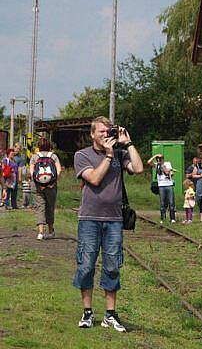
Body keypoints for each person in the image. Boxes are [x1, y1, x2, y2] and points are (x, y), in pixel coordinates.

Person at [73, 117, 144, 332]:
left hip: (114, 220)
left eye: (109, 131)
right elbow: (94, 179)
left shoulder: (120, 154)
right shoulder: (82, 155)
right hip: (89, 219)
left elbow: (139, 169)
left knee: (112, 266)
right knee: (86, 265)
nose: (106, 135)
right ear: (92, 134)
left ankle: (110, 314)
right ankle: (87, 311)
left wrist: (128, 143)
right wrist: (109, 155)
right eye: (102, 131)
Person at [30, 137, 62, 240]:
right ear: (49, 146)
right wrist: (52, 183)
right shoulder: (54, 156)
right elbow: (59, 171)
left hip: (38, 186)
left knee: (40, 207)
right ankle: (51, 231)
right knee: (50, 207)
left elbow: (32, 173)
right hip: (51, 186)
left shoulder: (34, 157)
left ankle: (40, 233)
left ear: (38, 147)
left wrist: (39, 184)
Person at [148, 153, 176, 224]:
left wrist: (163, 167)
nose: (159, 160)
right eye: (158, 159)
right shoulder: (156, 165)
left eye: (160, 158)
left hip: (169, 185)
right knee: (162, 203)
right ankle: (163, 218)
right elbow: (149, 162)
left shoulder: (167, 163)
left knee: (171, 202)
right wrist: (155, 156)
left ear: (163, 159)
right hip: (161, 185)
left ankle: (172, 218)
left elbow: (168, 172)